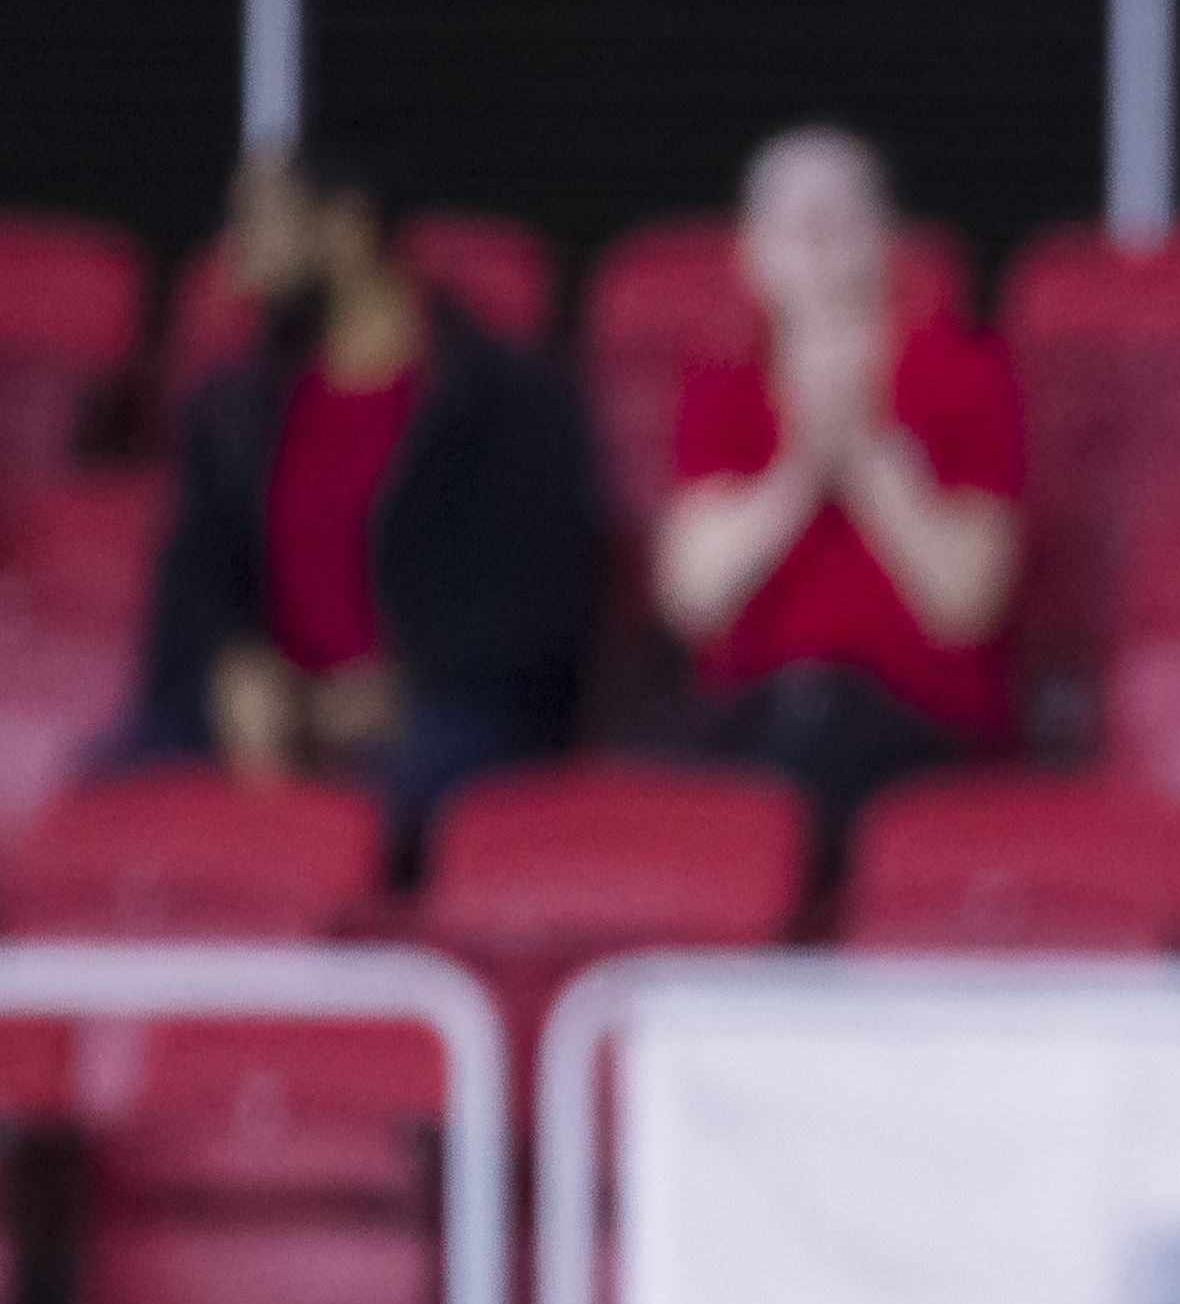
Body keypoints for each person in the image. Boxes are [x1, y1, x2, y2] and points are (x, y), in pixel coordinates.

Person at [138, 139, 597, 836]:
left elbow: (540, 598)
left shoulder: (504, 398)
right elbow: (192, 581)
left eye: (260, 225)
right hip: (268, 722)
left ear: (345, 228)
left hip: (440, 719)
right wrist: (233, 671)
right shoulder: (235, 407)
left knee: (420, 792)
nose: (234, 263)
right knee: (112, 792)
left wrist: (394, 691)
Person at [651, 126, 1026, 842]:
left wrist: (864, 455)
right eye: (793, 222)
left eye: (840, 218)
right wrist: (798, 473)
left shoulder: (965, 373)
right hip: (753, 721)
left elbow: (965, 604)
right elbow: (693, 599)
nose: (817, 242)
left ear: (888, 243)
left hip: (919, 725)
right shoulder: (722, 382)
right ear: (749, 253)